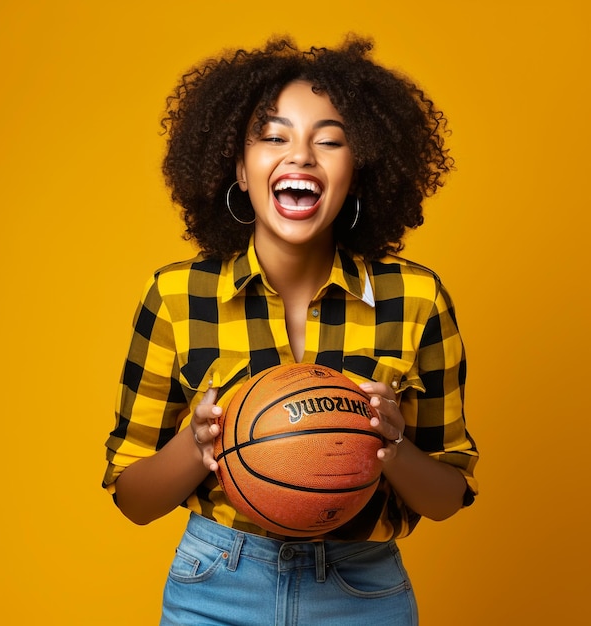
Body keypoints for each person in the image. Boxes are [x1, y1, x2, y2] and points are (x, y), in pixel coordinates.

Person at [103, 34, 479, 626]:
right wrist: (196, 447)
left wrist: (392, 445)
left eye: (329, 141)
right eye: (273, 137)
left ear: (356, 172)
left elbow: (448, 497)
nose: (300, 157)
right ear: (238, 167)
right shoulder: (177, 297)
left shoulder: (416, 298)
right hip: (215, 585)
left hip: (363, 590)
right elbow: (133, 499)